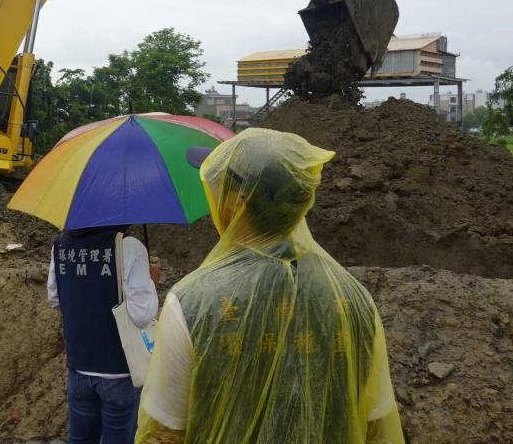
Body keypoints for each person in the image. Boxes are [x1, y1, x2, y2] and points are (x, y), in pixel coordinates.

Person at [136, 128, 404, 443]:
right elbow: (378, 426)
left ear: (237, 202)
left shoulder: (191, 302)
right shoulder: (353, 299)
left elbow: (165, 433)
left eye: (220, 185)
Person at [48, 225, 160, 443]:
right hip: (118, 371)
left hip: (78, 368)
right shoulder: (128, 246)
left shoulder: (60, 244)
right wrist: (152, 283)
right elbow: (142, 315)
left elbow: (54, 298)